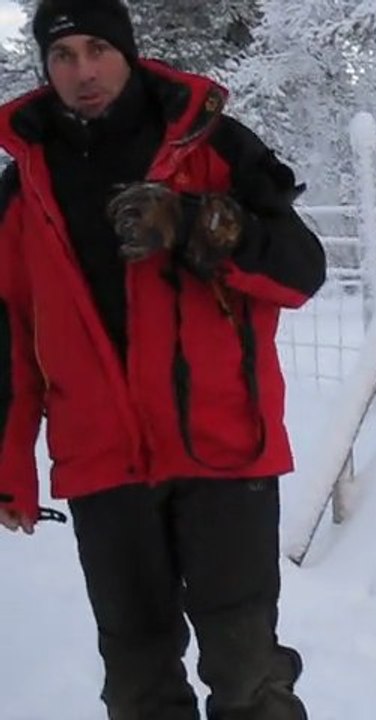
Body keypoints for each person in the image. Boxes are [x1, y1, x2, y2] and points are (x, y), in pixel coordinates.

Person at [0, 0, 325, 717]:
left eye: (97, 49)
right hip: (102, 463)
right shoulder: (26, 186)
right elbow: (12, 336)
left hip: (222, 449)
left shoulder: (215, 146)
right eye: (62, 55)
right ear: (45, 67)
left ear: (127, 49)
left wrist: (199, 227)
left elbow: (300, 273)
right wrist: (9, 461)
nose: (82, 71)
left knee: (249, 674)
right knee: (139, 678)